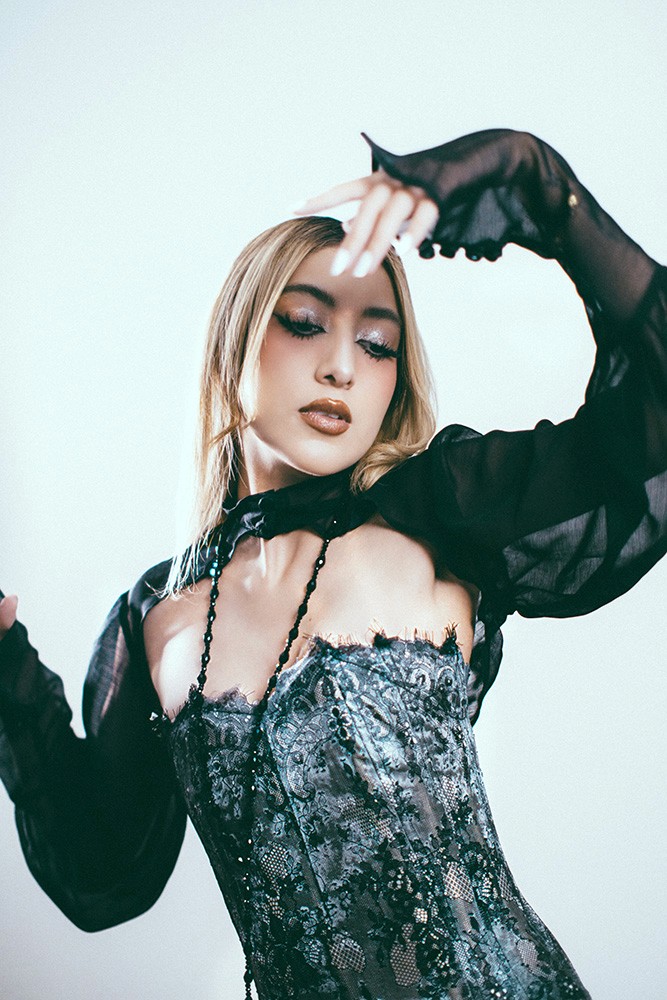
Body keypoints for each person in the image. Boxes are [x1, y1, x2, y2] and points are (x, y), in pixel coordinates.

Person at [0, 128, 664, 1000]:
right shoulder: (157, 615)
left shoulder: (443, 509)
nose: (342, 367)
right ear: (237, 337)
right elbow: (100, 873)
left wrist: (539, 189)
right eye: (305, 323)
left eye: (377, 344)